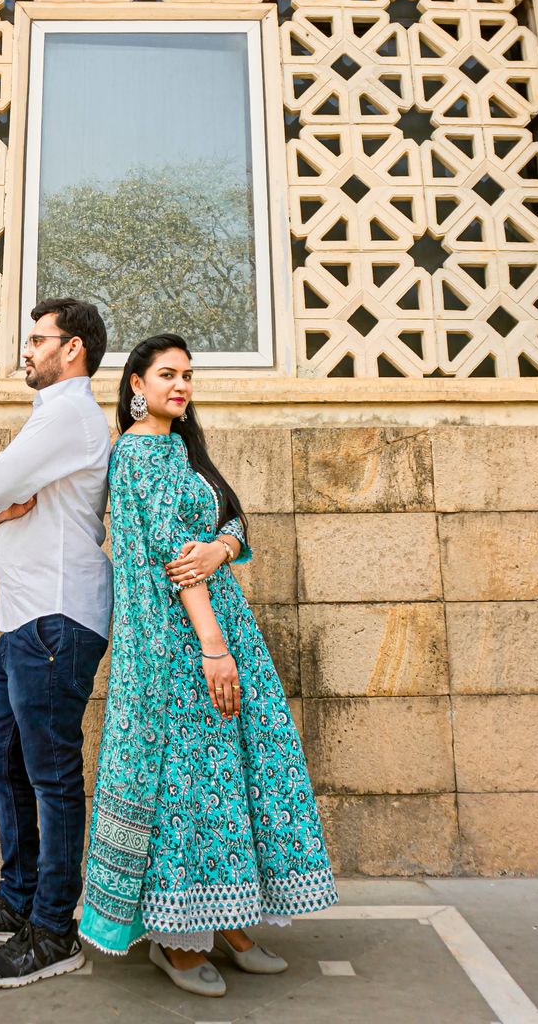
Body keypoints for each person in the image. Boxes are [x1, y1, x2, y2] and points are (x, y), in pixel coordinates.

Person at [79, 333, 337, 998]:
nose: (180, 385)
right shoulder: (136, 454)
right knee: (184, 784)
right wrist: (213, 649)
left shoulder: (186, 450)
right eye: (167, 374)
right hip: (173, 644)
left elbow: (231, 522)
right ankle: (175, 937)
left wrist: (224, 548)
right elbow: (173, 560)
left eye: (187, 375)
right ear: (135, 383)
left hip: (220, 626)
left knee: (226, 772)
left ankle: (226, 921)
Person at [0, 298, 112, 989]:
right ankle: (16, 901)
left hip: (57, 617)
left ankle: (52, 929)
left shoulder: (70, 412)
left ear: (73, 350)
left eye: (39, 339)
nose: (28, 349)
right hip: (25, 617)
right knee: (5, 759)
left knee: (51, 778)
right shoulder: (52, 415)